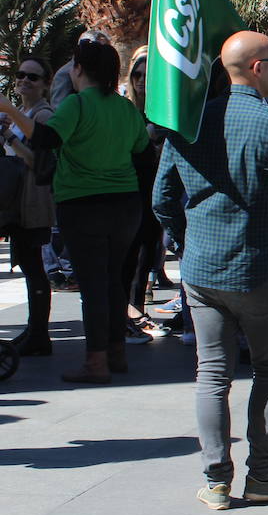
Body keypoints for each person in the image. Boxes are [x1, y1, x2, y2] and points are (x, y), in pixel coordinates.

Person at [153, 31, 268, 507]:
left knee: (212, 373)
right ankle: (261, 475)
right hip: (259, 267)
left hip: (202, 268)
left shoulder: (189, 124)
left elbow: (162, 199)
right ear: (259, 67)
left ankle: (217, 481)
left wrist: (188, 238)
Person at [0, 38, 151, 383]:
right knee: (114, 281)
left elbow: (44, 140)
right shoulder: (126, 109)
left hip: (83, 205)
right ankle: (116, 353)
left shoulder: (76, 105)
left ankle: (95, 362)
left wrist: (9, 111)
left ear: (79, 69)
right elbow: (143, 155)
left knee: (94, 286)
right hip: (125, 205)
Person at [0, 57, 56, 357]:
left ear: (46, 83)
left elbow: (39, 161)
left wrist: (8, 134)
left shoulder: (44, 115)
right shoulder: (21, 112)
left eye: (32, 77)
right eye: (20, 75)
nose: (24, 81)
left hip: (33, 201)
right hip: (18, 201)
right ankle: (34, 330)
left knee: (34, 266)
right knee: (28, 263)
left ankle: (39, 333)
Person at [118, 50, 168, 345]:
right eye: (136, 75)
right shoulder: (126, 111)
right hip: (129, 190)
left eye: (147, 77)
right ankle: (130, 313)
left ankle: (135, 311)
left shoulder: (163, 113)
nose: (141, 81)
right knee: (132, 255)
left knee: (149, 251)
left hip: (155, 189)